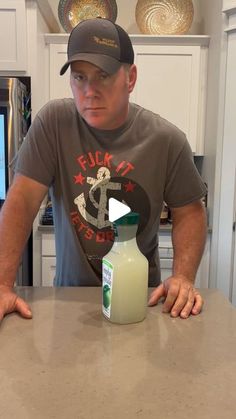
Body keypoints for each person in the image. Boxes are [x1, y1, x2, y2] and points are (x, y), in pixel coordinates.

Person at [0, 17, 207, 321]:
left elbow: (190, 212)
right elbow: (21, 202)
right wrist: (3, 284)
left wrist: (183, 278)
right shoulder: (53, 125)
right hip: (69, 302)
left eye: (103, 75)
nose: (89, 91)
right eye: (79, 77)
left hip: (142, 301)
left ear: (130, 78)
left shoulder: (167, 140)